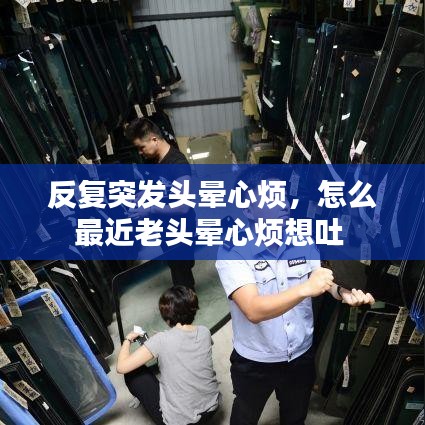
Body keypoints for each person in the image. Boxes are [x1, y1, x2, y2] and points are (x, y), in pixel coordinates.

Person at [215, 168, 375, 425]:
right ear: (248, 210)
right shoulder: (232, 251)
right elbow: (253, 309)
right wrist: (305, 289)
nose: (282, 204)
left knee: (295, 417)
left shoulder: (302, 238)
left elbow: (319, 277)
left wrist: (341, 292)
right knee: (245, 415)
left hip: (300, 355)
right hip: (256, 360)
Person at [117, 286, 220, 425]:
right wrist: (160, 340)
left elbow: (121, 367)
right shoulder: (204, 331)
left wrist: (128, 340)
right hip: (212, 408)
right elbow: (186, 348)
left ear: (166, 317)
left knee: (131, 373)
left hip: (182, 421)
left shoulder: (161, 340)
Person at [126, 118, 195, 289]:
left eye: (141, 147)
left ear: (154, 139)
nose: (140, 152)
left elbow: (183, 207)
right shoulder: (154, 160)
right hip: (165, 226)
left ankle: (186, 301)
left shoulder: (177, 165)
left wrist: (150, 209)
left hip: (181, 227)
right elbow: (158, 185)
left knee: (181, 274)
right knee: (176, 265)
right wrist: (142, 195)